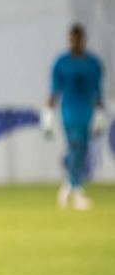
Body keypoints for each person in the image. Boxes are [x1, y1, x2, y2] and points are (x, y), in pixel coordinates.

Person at [41, 23, 106, 210]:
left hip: (86, 109)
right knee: (75, 144)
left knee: (81, 148)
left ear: (83, 40)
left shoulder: (93, 63)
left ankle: (69, 186)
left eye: (77, 38)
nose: (74, 42)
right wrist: (48, 115)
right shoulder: (61, 63)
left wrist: (100, 113)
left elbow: (97, 91)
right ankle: (75, 190)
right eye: (71, 39)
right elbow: (54, 91)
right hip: (69, 109)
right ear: (68, 40)